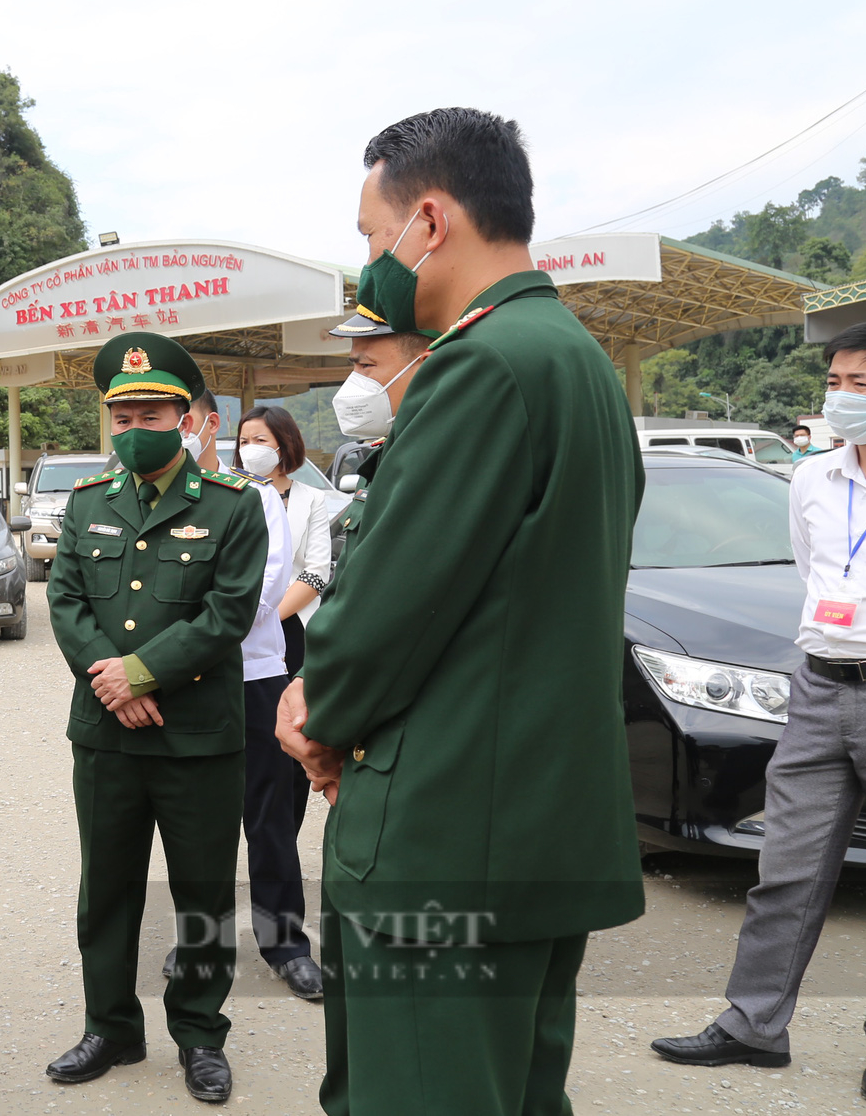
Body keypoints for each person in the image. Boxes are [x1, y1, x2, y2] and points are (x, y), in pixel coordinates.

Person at [276, 108, 645, 1115]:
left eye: (367, 234)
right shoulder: (573, 359)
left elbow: (388, 608)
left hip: (444, 839)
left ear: (426, 221)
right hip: (528, 827)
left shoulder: (479, 366)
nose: (366, 260)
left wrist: (315, 710)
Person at [650, 321, 866, 1096]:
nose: (843, 398)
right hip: (817, 687)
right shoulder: (815, 477)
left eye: (862, 384)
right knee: (786, 865)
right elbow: (815, 571)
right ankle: (753, 1024)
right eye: (835, 382)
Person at [44, 333, 271, 1104]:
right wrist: (114, 682)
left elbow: (228, 612)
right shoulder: (85, 503)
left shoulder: (233, 507)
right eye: (122, 412)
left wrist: (141, 671)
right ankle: (111, 1025)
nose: (134, 423)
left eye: (150, 410)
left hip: (198, 735)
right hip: (106, 734)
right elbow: (66, 601)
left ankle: (201, 1034)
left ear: (186, 416)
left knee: (202, 892)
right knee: (105, 887)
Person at [165, 394, 320, 1000]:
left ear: (208, 423)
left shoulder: (251, 498)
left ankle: (285, 942)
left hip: (252, 674)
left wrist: (184, 641)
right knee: (196, 823)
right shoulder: (142, 500)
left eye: (178, 420)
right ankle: (196, 940)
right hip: (180, 682)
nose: (168, 432)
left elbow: (264, 588)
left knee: (270, 814)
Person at [323, 312, 435, 548]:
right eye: (354, 366)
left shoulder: (446, 457)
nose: (355, 381)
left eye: (366, 365)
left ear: (426, 366)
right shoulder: (383, 454)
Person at [233, 405, 331, 670]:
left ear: (284, 444)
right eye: (244, 441)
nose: (250, 448)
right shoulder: (226, 494)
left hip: (292, 618)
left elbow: (316, 572)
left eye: (260, 440)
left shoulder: (312, 498)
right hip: (234, 619)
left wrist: (269, 618)